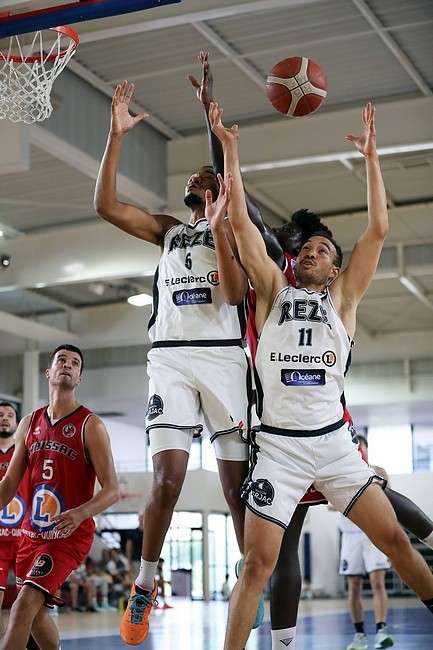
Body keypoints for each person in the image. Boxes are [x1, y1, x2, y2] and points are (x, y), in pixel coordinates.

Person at [190, 52, 433, 649]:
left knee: (394, 540)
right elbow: (241, 224)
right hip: (278, 448)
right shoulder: (273, 291)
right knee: (257, 564)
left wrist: (372, 159)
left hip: (333, 443)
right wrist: (230, 152)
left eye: (323, 249)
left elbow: (378, 230)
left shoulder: (343, 301)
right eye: (307, 248)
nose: (311, 252)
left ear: (336, 268)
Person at [94, 81, 252, 647]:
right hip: (170, 360)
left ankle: (248, 579)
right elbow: (105, 206)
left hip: (225, 360)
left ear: (220, 187)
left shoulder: (235, 232)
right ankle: (144, 582)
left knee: (235, 488)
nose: (194, 176)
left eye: (205, 174)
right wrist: (115, 137)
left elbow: (234, 295)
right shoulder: (167, 231)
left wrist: (222, 221)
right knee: (168, 480)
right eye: (192, 175)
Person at [0, 344, 119, 650]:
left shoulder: (91, 425)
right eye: (62, 360)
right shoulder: (29, 423)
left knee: (22, 606)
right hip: (31, 534)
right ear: (48, 372)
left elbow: (112, 490)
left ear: (79, 378)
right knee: (36, 615)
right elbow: (9, 483)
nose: (68, 365)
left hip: (68, 535)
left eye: (75, 363)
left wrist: (80, 513)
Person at [340, 436, 394, 650]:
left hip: (373, 534)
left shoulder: (378, 471)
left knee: (377, 582)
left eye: (361, 446)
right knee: (353, 586)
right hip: (350, 535)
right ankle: (359, 635)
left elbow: (389, 501)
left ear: (366, 449)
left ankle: (381, 630)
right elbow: (330, 504)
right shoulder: (340, 473)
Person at [0, 403, 39, 650]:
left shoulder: (26, 451)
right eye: (0, 415)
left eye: (9, 415)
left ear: (16, 422)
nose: (4, 419)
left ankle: (33, 644)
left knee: (31, 600)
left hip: (26, 537)